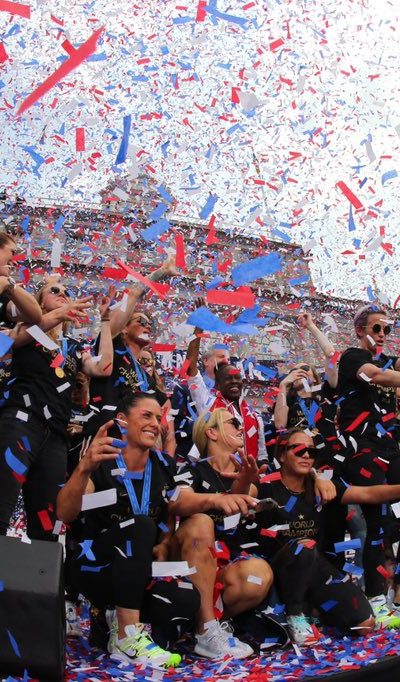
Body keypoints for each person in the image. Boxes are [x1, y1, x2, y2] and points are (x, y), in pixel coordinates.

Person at [167, 409, 333, 658]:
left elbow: (290, 473)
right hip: (192, 563)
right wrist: (215, 500)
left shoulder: (249, 471)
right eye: (233, 422)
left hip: (229, 565)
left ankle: (211, 623)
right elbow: (178, 501)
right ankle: (206, 630)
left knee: (259, 575)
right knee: (201, 522)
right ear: (211, 433)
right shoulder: (191, 469)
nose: (241, 427)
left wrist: (318, 476)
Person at [56, 392, 200, 668]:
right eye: (146, 416)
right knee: (140, 524)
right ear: (122, 420)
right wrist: (84, 467)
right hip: (95, 567)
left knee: (185, 597)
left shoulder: (163, 464)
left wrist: (166, 540)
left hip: (138, 572)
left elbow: (174, 506)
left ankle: (111, 626)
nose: (155, 423)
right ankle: (127, 635)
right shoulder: (101, 459)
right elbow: (64, 512)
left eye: (158, 418)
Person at [250, 427, 400, 644]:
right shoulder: (266, 486)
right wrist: (244, 481)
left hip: (316, 569)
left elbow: (368, 493)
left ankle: (314, 609)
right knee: (303, 546)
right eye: (298, 450)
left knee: (364, 623)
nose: (306, 455)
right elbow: (240, 495)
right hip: (277, 572)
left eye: (311, 451)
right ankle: (295, 614)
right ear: (281, 455)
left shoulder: (321, 487)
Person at [0, 281, 114, 540]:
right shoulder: (24, 329)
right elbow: (9, 344)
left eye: (66, 292)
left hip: (56, 435)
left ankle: (40, 564)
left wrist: (106, 321)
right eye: (54, 291)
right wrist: (58, 314)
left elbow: (103, 368)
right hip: (21, 421)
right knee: (2, 496)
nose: (63, 293)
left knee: (48, 517)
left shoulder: (73, 346)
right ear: (39, 302)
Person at [337, 304, 400, 618]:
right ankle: (375, 596)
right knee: (375, 524)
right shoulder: (353, 357)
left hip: (390, 448)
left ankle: (394, 594)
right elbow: (375, 376)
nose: (383, 334)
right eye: (377, 328)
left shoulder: (386, 361)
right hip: (362, 449)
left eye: (387, 329)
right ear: (360, 330)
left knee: (395, 525)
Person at [85, 255, 178, 438]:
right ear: (124, 329)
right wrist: (162, 272)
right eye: (140, 321)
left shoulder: (147, 379)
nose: (147, 326)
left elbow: (165, 412)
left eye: (149, 323)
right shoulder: (113, 347)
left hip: (133, 444)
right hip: (105, 437)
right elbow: (133, 294)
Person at [184, 301, 266, 462]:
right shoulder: (207, 402)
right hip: (216, 472)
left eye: (237, 378)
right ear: (218, 384)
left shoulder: (254, 416)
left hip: (247, 474)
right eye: (228, 378)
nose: (234, 382)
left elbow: (262, 454)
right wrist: (199, 326)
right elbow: (190, 367)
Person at [171, 342, 230, 461]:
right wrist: (205, 425)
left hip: (220, 460)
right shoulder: (184, 388)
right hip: (188, 458)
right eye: (221, 356)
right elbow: (174, 425)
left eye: (228, 359)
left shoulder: (229, 394)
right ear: (206, 361)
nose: (226, 361)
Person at [139, 348, 176, 457]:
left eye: (149, 361)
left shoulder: (162, 398)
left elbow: (170, 438)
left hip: (156, 457)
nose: (146, 364)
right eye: (141, 360)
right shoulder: (124, 392)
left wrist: (168, 463)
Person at [0, 232, 42, 326]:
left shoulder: (5, 292)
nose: (15, 262)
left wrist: (8, 285)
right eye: (13, 252)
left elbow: (35, 316)